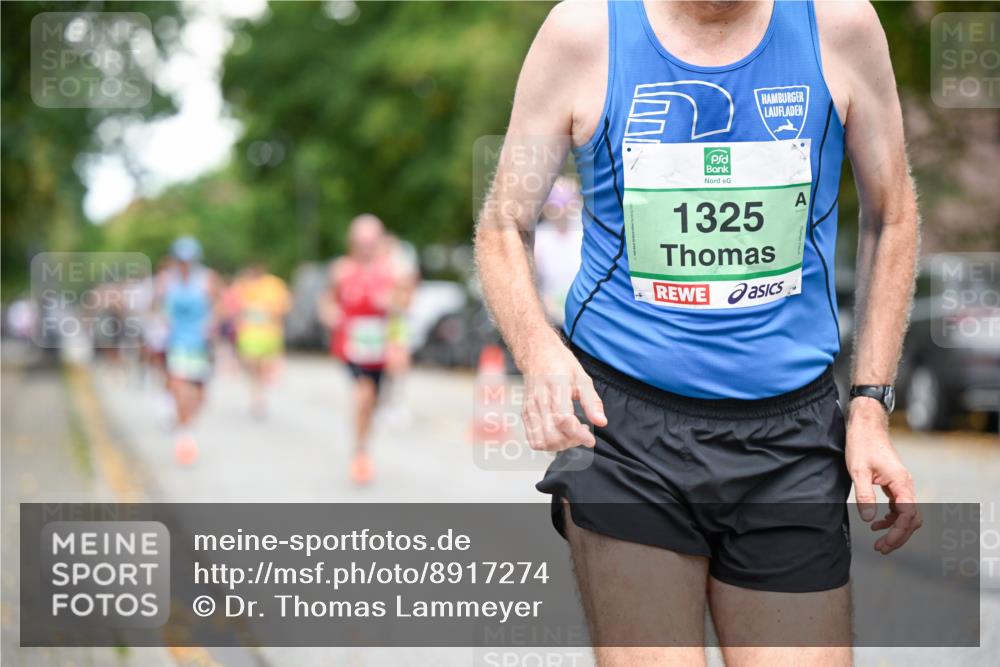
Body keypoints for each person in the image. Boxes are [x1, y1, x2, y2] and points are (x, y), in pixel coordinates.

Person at [475, 1, 922, 665]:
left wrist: (869, 404)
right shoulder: (584, 33)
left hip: (791, 439)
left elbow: (895, 213)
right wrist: (542, 352)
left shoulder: (839, 25)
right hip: (626, 430)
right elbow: (502, 224)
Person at [318, 214, 397, 485]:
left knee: (372, 400)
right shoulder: (341, 269)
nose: (366, 247)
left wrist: (393, 303)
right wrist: (330, 313)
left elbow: (406, 302)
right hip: (351, 345)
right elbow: (326, 301)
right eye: (362, 242)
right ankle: (360, 451)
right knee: (363, 394)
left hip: (380, 346)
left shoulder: (390, 269)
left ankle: (363, 444)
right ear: (352, 242)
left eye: (371, 241)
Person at [158, 237, 219, 465]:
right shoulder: (166, 282)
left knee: (198, 395)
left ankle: (187, 425)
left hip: (200, 344)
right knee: (179, 387)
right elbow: (157, 308)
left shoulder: (207, 279)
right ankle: (185, 436)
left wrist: (212, 325)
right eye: (181, 260)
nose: (185, 264)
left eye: (189, 260)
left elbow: (219, 306)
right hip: (176, 343)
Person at [233, 262, 292, 418]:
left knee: (263, 368)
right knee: (252, 367)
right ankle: (257, 397)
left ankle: (260, 395)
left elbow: (284, 307)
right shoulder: (243, 285)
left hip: (269, 335)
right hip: (249, 336)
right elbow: (235, 308)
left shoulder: (274, 285)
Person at [533, 176, 584, 325]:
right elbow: (535, 280)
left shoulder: (585, 231)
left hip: (584, 309)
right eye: (554, 205)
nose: (560, 211)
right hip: (554, 316)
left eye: (565, 203)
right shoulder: (540, 238)